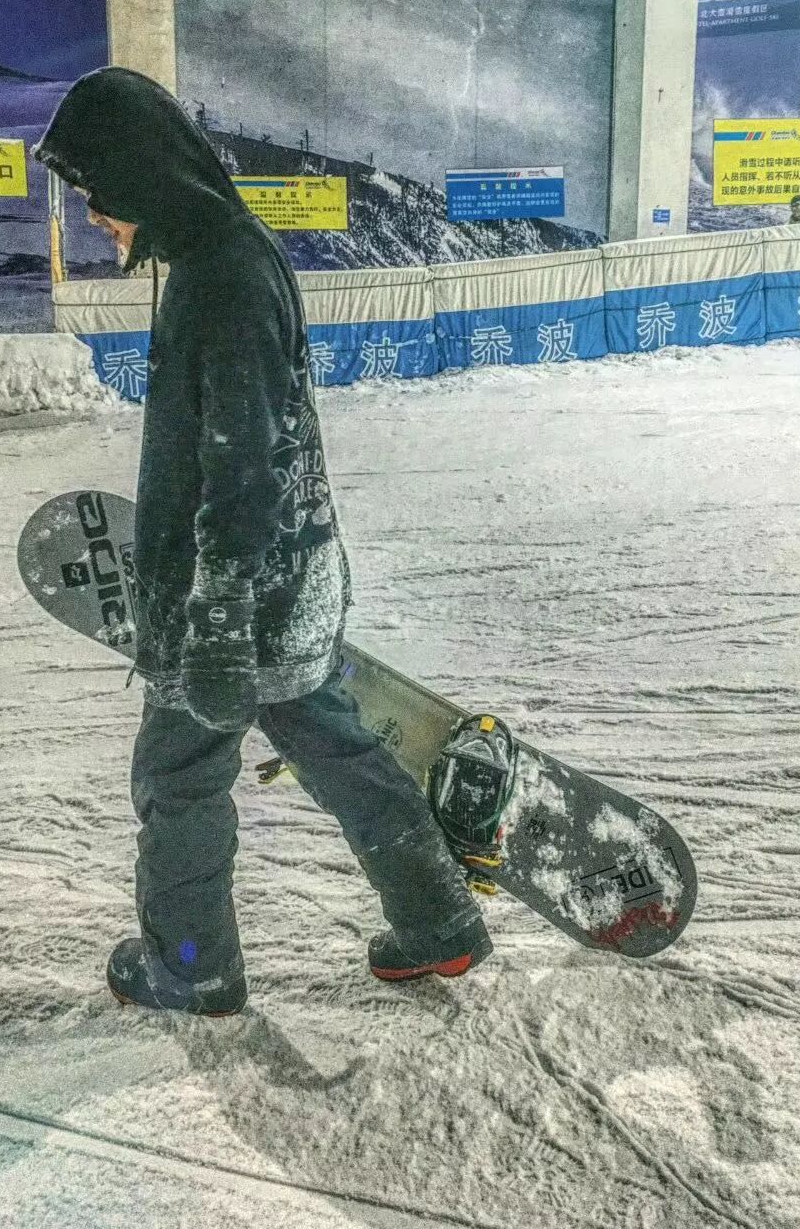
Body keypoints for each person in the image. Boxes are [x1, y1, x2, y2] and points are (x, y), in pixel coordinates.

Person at [34, 68, 490, 1015]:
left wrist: (215, 616)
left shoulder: (220, 276)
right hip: (289, 581)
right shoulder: (231, 253)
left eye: (97, 191)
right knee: (338, 753)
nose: (94, 215)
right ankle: (441, 922)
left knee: (179, 779)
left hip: (234, 597)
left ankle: (191, 963)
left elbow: (244, 460)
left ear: (142, 172)